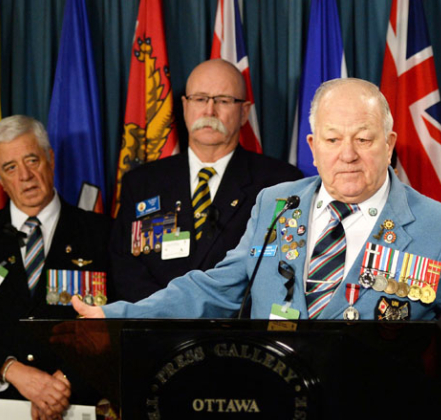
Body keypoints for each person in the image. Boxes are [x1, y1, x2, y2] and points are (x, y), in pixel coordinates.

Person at [75, 78, 441, 393]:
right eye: (334, 139)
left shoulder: (437, 228)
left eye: (364, 138)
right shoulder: (276, 203)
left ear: (390, 142)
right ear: (312, 145)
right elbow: (214, 287)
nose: (348, 154)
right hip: (276, 412)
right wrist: (118, 316)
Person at [0, 116, 110, 420]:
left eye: (32, 160)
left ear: (50, 158)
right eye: (10, 167)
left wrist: (63, 383)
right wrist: (13, 371)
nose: (25, 176)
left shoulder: (102, 234)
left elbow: (121, 322)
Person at [110, 59, 302, 302]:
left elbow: (282, 268)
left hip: (237, 332)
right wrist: (166, 315)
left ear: (244, 112)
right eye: (200, 99)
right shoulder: (141, 183)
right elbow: (125, 268)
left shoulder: (279, 183)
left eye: (223, 100)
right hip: (157, 329)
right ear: (184, 106)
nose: (209, 111)